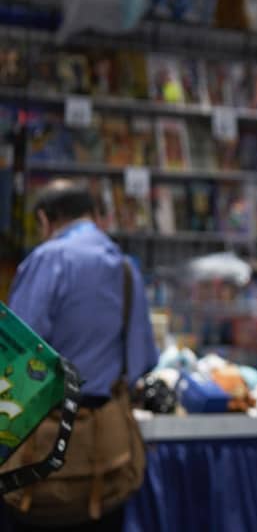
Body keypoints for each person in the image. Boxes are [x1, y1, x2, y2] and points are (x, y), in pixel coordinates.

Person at [6, 179, 158, 532]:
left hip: (42, 456)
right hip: (107, 456)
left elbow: (15, 360)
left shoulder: (46, 259)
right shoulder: (125, 267)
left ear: (45, 220)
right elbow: (141, 362)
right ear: (95, 215)